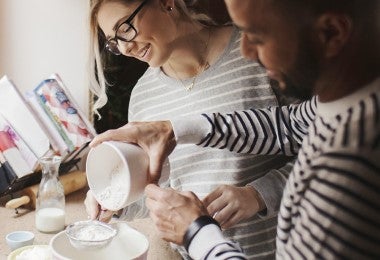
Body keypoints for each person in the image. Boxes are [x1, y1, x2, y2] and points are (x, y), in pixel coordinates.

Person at [89, 0, 380, 259]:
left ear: (331, 33)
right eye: (114, 42)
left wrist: (199, 229)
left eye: (257, 35)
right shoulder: (340, 108)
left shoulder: (349, 161)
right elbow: (286, 124)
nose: (246, 49)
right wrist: (172, 131)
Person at [87, 0, 295, 258]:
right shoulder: (143, 97)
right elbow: (158, 192)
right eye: (114, 41)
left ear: (166, 3)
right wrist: (117, 203)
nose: (125, 47)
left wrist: (259, 195)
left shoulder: (257, 53)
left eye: (125, 28)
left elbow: (322, 152)